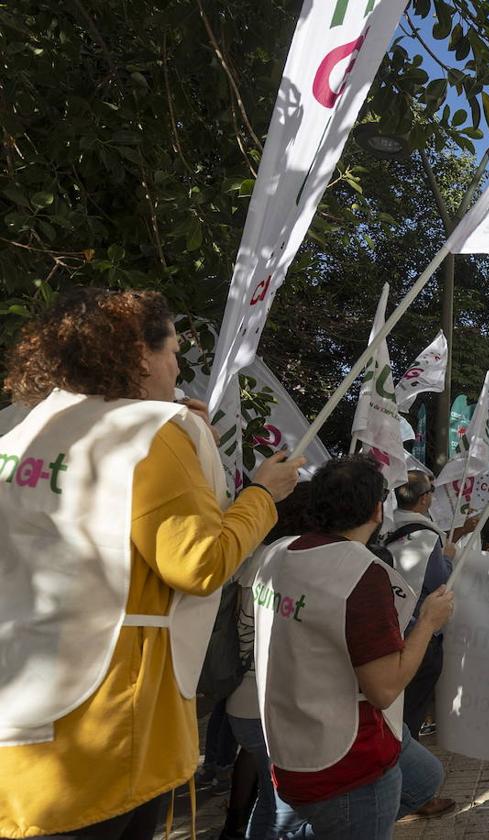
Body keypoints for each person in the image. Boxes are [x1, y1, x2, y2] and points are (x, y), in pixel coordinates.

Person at [0, 288, 301, 839]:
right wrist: (262, 494)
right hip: (107, 724)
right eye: (173, 354)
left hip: (22, 704)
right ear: (141, 355)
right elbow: (199, 563)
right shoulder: (154, 432)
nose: (177, 368)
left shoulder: (21, 429)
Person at [253, 455, 454, 840]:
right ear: (379, 510)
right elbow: (384, 688)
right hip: (347, 762)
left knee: (426, 777)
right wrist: (428, 622)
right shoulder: (362, 572)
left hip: (288, 744)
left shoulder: (275, 554)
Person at [226, 484, 315, 840]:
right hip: (270, 710)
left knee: (272, 798)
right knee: (284, 808)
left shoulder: (255, 554)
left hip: (244, 704)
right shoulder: (294, 563)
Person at [383, 468, 473, 821]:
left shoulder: (385, 527)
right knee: (411, 718)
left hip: (388, 631)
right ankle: (414, 792)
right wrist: (449, 555)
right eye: (432, 491)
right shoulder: (427, 537)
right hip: (418, 637)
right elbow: (440, 581)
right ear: (424, 499)